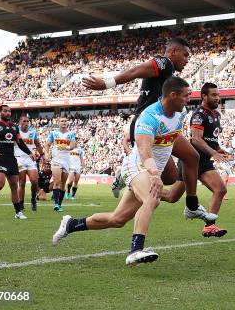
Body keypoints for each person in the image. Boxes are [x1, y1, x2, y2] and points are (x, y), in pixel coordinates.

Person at [52, 76, 213, 266]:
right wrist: (155, 174)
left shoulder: (181, 112)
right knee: (152, 199)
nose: (189, 100)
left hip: (151, 170)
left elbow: (172, 140)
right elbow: (145, 151)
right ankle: (135, 250)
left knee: (117, 219)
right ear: (172, 95)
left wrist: (185, 163)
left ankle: (70, 224)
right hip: (137, 166)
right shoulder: (149, 117)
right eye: (186, 96)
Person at [85, 38, 191, 194]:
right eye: (186, 55)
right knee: (189, 159)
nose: (187, 60)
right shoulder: (165, 63)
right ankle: (127, 172)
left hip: (156, 124)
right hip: (148, 125)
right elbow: (136, 71)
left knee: (171, 176)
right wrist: (107, 83)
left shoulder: (168, 71)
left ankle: (128, 174)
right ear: (174, 51)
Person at [163, 82, 231, 238]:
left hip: (204, 161)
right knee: (172, 197)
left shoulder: (216, 115)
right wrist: (214, 152)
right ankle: (144, 191)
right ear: (204, 96)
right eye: (214, 95)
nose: (217, 98)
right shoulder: (199, 114)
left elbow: (209, 139)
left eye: (218, 95)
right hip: (191, 160)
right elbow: (196, 139)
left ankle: (210, 226)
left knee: (220, 189)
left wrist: (218, 149)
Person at [0, 105, 37, 220]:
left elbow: (20, 143)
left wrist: (29, 153)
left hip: (11, 159)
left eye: (9, 111)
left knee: (14, 187)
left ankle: (18, 212)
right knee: (0, 184)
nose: (8, 113)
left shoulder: (14, 127)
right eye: (5, 111)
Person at [44, 117, 76, 212]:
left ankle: (60, 204)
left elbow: (73, 145)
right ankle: (56, 204)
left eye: (65, 121)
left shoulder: (71, 134)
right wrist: (46, 153)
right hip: (56, 160)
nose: (64, 122)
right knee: (57, 181)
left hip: (66, 161)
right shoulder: (53, 133)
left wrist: (65, 147)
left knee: (63, 184)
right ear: (58, 123)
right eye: (62, 121)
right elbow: (47, 144)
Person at [15, 115, 43, 212]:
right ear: (20, 122)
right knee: (21, 183)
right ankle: (21, 204)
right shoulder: (15, 131)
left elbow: (38, 144)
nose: (26, 123)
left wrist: (42, 155)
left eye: (28, 121)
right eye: (24, 121)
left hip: (30, 159)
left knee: (34, 181)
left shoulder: (33, 132)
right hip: (19, 159)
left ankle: (33, 199)